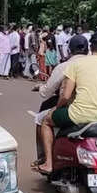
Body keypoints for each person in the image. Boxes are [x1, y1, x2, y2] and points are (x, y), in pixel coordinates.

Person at [37, 31, 97, 174]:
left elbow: (65, 95)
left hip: (77, 116)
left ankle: (49, 163)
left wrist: (56, 109)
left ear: (91, 47)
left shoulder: (77, 65)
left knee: (45, 121)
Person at [31, 35, 89, 166]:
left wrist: (42, 89)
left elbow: (59, 95)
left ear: (69, 50)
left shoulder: (66, 66)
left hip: (74, 109)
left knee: (41, 119)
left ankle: (46, 160)